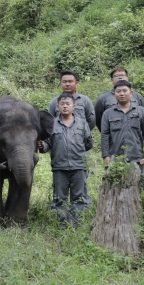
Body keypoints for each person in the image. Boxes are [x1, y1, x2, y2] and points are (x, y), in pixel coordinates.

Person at [39, 93, 94, 228]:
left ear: (73, 106)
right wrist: (42, 146)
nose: (65, 106)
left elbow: (89, 143)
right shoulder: (51, 125)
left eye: (67, 104)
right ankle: (63, 226)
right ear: (57, 106)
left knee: (79, 198)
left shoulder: (82, 123)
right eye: (62, 104)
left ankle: (75, 225)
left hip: (79, 166)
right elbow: (47, 145)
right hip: (59, 167)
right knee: (59, 199)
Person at [101, 80, 144, 169]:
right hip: (115, 159)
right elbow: (105, 136)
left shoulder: (141, 111)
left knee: (138, 182)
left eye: (125, 91)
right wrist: (106, 156)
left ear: (131, 93)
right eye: (118, 91)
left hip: (136, 158)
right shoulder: (107, 113)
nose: (122, 94)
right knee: (114, 183)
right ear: (114, 94)